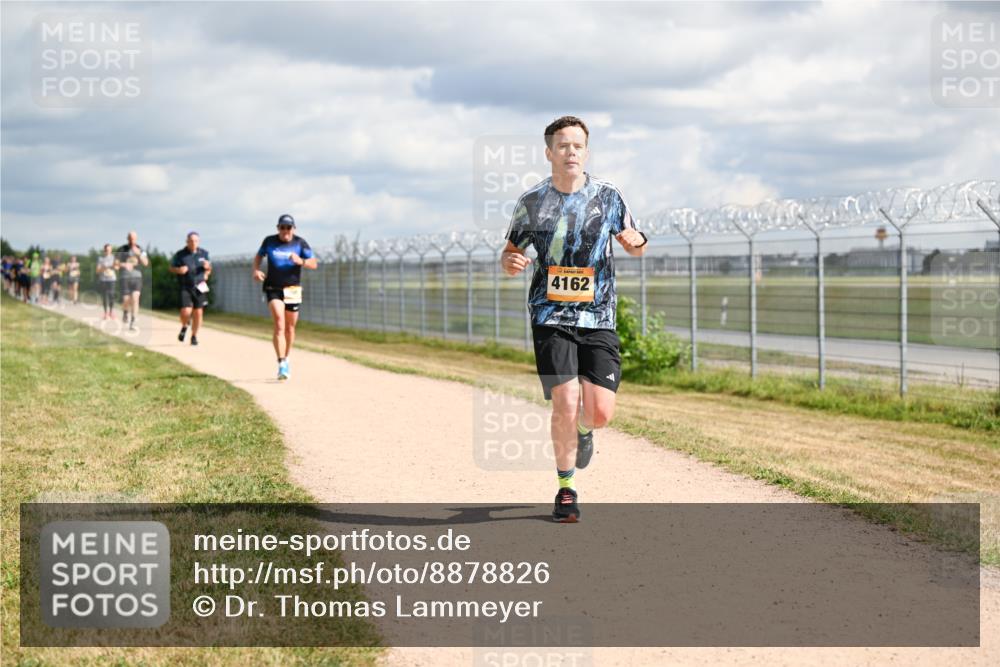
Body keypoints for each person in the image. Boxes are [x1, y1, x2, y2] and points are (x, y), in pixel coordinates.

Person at [500, 116, 648, 523]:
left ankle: (585, 431)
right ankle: (566, 489)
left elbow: (636, 243)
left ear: (586, 152)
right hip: (550, 315)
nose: (571, 152)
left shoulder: (608, 196)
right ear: (549, 153)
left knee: (599, 413)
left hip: (598, 316)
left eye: (578, 146)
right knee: (565, 402)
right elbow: (511, 252)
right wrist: (510, 262)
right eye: (563, 146)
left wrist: (636, 242)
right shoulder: (533, 202)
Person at [252, 214, 317, 380]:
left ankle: (286, 358)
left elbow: (314, 263)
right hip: (273, 288)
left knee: (290, 327)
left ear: (293, 228)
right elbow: (259, 256)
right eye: (282, 227)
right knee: (279, 322)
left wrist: (301, 261)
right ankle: (281, 362)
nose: (285, 230)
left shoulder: (300, 243)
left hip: (293, 289)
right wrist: (256, 270)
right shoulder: (269, 241)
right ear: (278, 228)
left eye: (289, 227)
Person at [169, 232, 212, 346]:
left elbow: (209, 268)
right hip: (185, 285)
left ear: (198, 241)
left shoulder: (204, 253)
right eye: (191, 241)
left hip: (201, 285)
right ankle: (185, 325)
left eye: (196, 241)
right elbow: (171, 268)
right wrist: (179, 270)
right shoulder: (180, 254)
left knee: (198, 312)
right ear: (187, 241)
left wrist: (207, 272)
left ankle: (194, 336)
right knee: (185, 311)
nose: (193, 243)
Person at [115, 231, 149, 330]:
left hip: (137, 277)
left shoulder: (140, 249)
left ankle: (133, 321)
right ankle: (125, 312)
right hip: (124, 277)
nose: (132, 240)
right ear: (127, 238)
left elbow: (146, 263)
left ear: (136, 239)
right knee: (126, 299)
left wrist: (139, 254)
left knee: (135, 298)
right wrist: (124, 264)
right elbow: (116, 264)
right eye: (130, 238)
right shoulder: (122, 249)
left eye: (133, 238)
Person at [96, 244, 117, 319]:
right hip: (103, 279)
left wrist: (114, 266)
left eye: (109, 249)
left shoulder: (114, 258)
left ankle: (111, 312)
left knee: (111, 295)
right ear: (104, 250)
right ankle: (105, 313)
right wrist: (104, 267)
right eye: (106, 250)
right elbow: (97, 270)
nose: (107, 251)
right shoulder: (100, 258)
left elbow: (117, 267)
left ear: (111, 250)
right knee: (104, 296)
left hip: (112, 279)